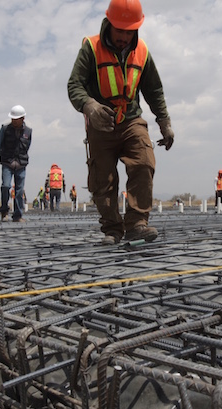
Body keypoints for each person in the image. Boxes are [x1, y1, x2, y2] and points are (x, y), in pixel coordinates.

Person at [67, 0, 174, 245]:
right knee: (102, 179)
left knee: (144, 162)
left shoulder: (143, 51)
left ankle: (137, 223)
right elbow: (74, 85)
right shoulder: (91, 48)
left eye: (130, 31)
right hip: (100, 122)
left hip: (131, 119)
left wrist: (164, 121)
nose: (124, 37)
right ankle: (112, 229)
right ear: (109, 24)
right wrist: (90, 106)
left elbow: (154, 89)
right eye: (120, 30)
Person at [0, 105, 32, 222]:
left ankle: (18, 215)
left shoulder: (28, 131)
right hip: (7, 163)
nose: (13, 121)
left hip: (21, 164)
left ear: (22, 118)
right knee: (6, 186)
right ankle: (4, 211)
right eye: (12, 119)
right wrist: (4, 158)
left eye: (16, 119)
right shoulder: (5, 129)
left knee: (19, 191)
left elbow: (27, 146)